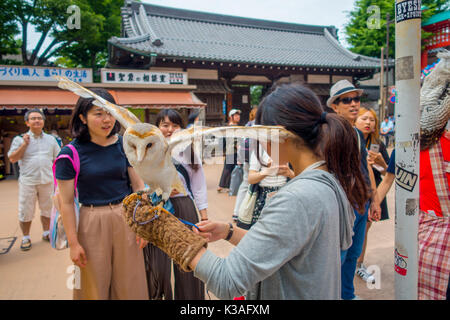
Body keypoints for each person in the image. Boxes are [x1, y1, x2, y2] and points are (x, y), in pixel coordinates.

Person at [131, 83, 370, 299]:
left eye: (259, 132)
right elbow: (282, 248)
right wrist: (229, 232)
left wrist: (166, 232)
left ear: (277, 133)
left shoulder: (297, 198)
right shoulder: (329, 182)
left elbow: (227, 281)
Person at [54, 88, 148, 300]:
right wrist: (74, 243)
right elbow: (67, 202)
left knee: (130, 283)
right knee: (92, 284)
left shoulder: (125, 145)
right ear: (82, 118)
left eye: (110, 113)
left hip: (126, 218)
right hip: (91, 221)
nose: (107, 120)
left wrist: (142, 225)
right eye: (98, 114)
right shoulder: (69, 154)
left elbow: (138, 187)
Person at [143, 109, 208, 300]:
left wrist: (204, 217)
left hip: (184, 208)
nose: (170, 129)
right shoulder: (146, 151)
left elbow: (198, 186)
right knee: (158, 262)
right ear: (157, 128)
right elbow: (140, 183)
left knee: (188, 260)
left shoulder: (188, 152)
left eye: (175, 125)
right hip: (157, 210)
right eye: (165, 125)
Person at [328, 79, 381, 300]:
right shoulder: (328, 133)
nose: (353, 104)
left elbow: (364, 168)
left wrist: (374, 199)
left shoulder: (358, 134)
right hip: (342, 205)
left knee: (353, 255)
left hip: (361, 203)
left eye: (356, 99)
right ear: (334, 106)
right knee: (337, 257)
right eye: (346, 100)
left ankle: (347, 295)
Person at [8, 109, 61, 251]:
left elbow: (58, 158)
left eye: (39, 118)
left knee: (48, 209)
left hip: (48, 180)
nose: (37, 121)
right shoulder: (19, 139)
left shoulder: (51, 139)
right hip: (28, 181)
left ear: (43, 121)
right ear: (27, 122)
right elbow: (12, 158)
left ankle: (46, 232)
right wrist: (24, 145)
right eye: (33, 118)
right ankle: (26, 237)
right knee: (26, 210)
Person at [354, 107, 390, 284]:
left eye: (372, 119)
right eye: (364, 118)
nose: (368, 122)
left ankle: (359, 265)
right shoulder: (350, 140)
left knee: (365, 229)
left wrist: (381, 162)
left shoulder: (378, 144)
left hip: (372, 194)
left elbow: (387, 173)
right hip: (354, 191)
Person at [240, 144, 294, 229]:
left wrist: (289, 173)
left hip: (287, 195)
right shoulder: (259, 151)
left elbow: (302, 178)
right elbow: (251, 178)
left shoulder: (290, 150)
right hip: (264, 197)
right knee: (262, 230)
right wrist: (267, 171)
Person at [232, 107, 257, 221]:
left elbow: (240, 144)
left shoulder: (247, 125)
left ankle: (237, 212)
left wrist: (240, 159)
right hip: (257, 161)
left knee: (245, 184)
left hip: (246, 160)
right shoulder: (262, 126)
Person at [217, 109, 241, 193]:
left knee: (229, 167)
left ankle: (226, 185)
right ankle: (222, 185)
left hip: (232, 151)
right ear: (231, 117)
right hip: (232, 150)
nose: (238, 117)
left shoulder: (234, 127)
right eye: (236, 115)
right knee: (228, 168)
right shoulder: (231, 127)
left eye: (238, 115)